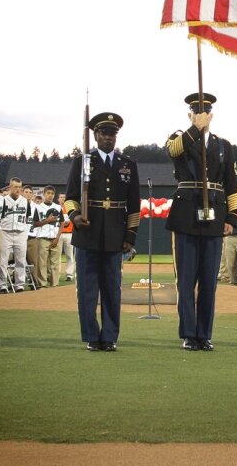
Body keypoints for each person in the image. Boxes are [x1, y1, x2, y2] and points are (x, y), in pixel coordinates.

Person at [165, 93, 237, 352]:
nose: (201, 116)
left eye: (205, 113)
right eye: (196, 113)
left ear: (212, 115)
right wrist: (195, 128)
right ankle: (188, 333)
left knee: (208, 280)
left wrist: (231, 216)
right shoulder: (179, 139)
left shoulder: (223, 146)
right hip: (186, 215)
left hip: (214, 217)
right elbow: (173, 150)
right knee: (185, 280)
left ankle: (204, 333)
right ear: (190, 116)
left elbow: (231, 184)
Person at [65, 113, 140, 351]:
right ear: (95, 135)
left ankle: (109, 337)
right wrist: (75, 216)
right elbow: (70, 198)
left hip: (115, 234)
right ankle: (91, 336)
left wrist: (130, 236)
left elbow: (134, 205)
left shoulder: (128, 165)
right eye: (104, 134)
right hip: (87, 232)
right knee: (87, 291)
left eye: (112, 134)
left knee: (112, 290)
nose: (108, 138)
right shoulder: (82, 161)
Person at [0, 178, 32, 293]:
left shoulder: (25, 201)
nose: (18, 189)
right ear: (10, 187)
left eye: (19, 187)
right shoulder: (3, 200)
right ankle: (2, 284)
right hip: (5, 232)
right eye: (15, 187)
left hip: (21, 232)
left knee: (20, 260)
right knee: (2, 261)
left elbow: (27, 217)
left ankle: (19, 285)